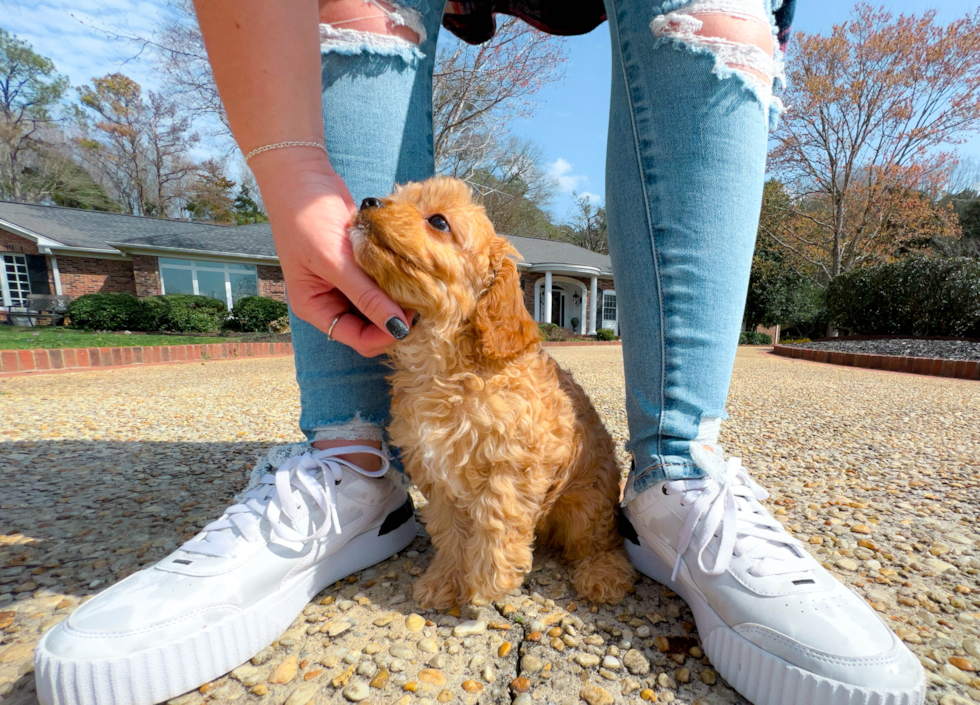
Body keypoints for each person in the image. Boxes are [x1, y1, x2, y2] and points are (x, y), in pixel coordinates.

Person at [34, 0, 925, 704]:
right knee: (359, 2)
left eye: (433, 223)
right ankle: (348, 461)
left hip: (566, 496)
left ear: (490, 286)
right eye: (401, 208)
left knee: (710, 12)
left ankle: (674, 477)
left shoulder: (506, 358)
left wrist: (491, 562)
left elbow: (513, 476)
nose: (381, 212)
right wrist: (291, 166)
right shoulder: (418, 374)